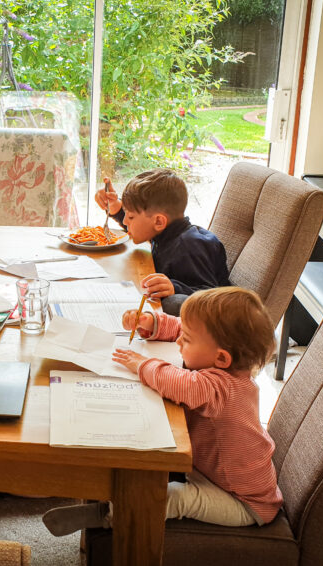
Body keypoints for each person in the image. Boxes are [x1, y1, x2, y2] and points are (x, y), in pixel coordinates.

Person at [42, 286, 282, 535]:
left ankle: (109, 514)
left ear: (221, 359)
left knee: (174, 499)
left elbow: (182, 384)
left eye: (186, 340)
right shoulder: (222, 362)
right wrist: (153, 323)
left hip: (242, 500)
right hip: (212, 471)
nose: (179, 340)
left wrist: (142, 364)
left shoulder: (222, 387)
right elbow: (182, 326)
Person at [95, 169, 230, 314]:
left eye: (131, 217)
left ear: (159, 221)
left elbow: (212, 296)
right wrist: (116, 208)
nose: (125, 221)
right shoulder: (165, 232)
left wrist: (174, 288)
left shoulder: (189, 248)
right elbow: (144, 226)